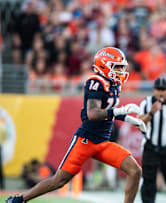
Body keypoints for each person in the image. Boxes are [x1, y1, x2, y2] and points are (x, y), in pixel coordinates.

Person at [6, 47, 147, 203]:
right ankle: (19, 199)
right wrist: (121, 111)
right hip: (86, 141)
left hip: (103, 142)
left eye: (122, 67)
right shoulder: (96, 82)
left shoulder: (114, 84)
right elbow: (93, 113)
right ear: (104, 65)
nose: (121, 71)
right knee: (59, 180)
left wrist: (128, 118)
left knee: (135, 171)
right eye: (117, 67)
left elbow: (108, 112)